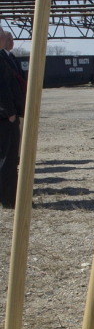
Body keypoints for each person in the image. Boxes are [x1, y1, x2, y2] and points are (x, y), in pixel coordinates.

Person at [0, 32, 22, 207]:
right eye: (4, 37)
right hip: (5, 116)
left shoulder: (7, 57)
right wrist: (9, 112)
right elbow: (3, 87)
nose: (7, 40)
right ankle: (8, 199)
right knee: (7, 158)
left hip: (7, 114)